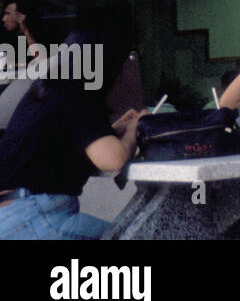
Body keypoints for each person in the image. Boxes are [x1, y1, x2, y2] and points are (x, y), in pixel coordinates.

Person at [0, 27, 147, 239]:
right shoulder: (76, 95)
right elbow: (114, 159)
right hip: (33, 216)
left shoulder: (48, 91)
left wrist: (116, 130)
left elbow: (68, 145)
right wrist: (136, 128)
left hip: (17, 215)